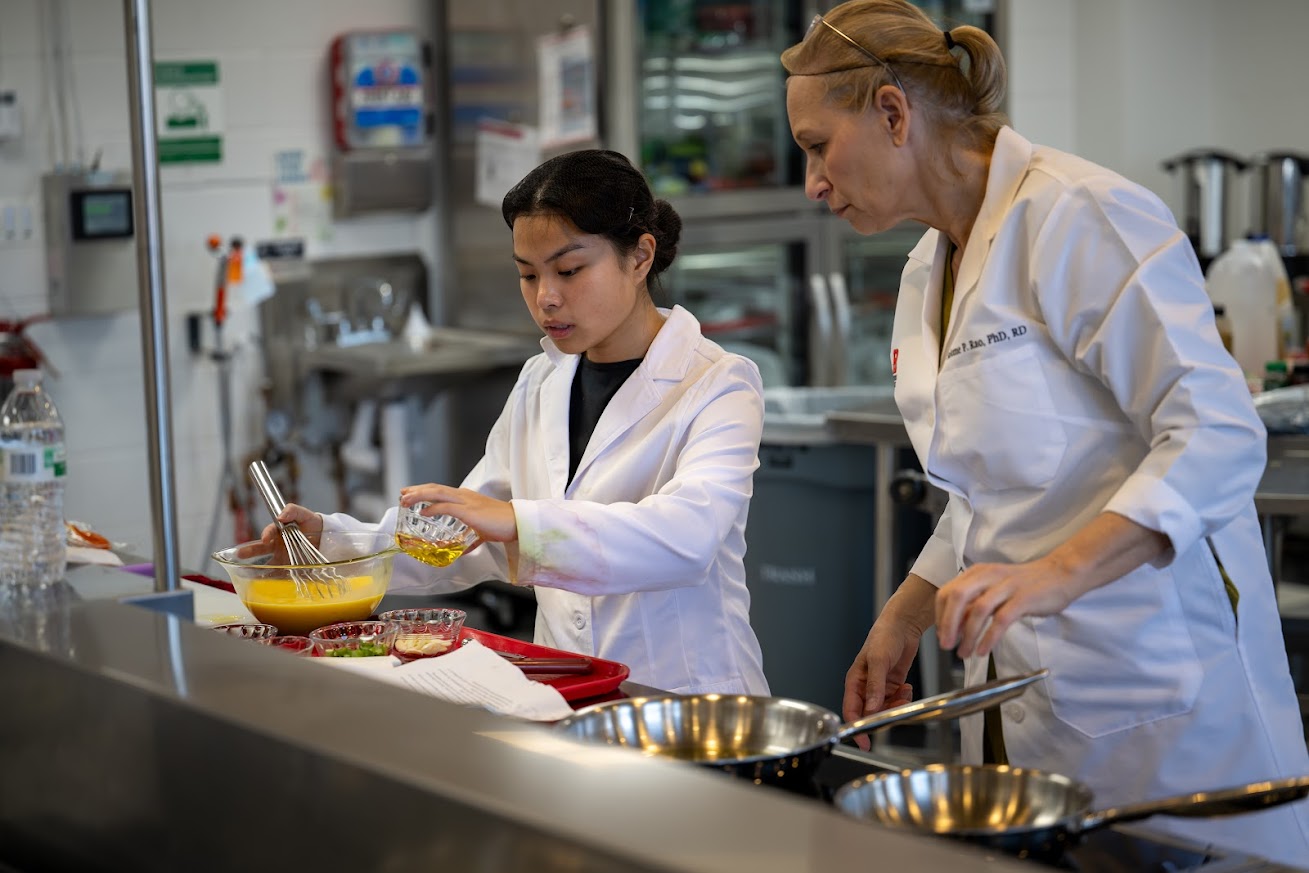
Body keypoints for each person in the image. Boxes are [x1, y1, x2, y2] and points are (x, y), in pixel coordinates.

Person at [782, 0, 1309, 862]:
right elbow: (989, 486)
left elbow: (1217, 433)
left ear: (892, 113)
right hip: (1016, 706)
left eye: (815, 146)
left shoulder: (1082, 215)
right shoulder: (925, 268)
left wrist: (1054, 575)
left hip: (1155, 710)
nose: (811, 182)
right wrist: (907, 611)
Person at [266, 149, 769, 696]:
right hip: (569, 688)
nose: (545, 298)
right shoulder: (541, 380)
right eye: (528, 275)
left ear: (640, 257)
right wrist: (334, 542)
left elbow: (687, 539)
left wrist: (515, 521)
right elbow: (461, 537)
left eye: (569, 271)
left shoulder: (718, 383)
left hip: (689, 696)